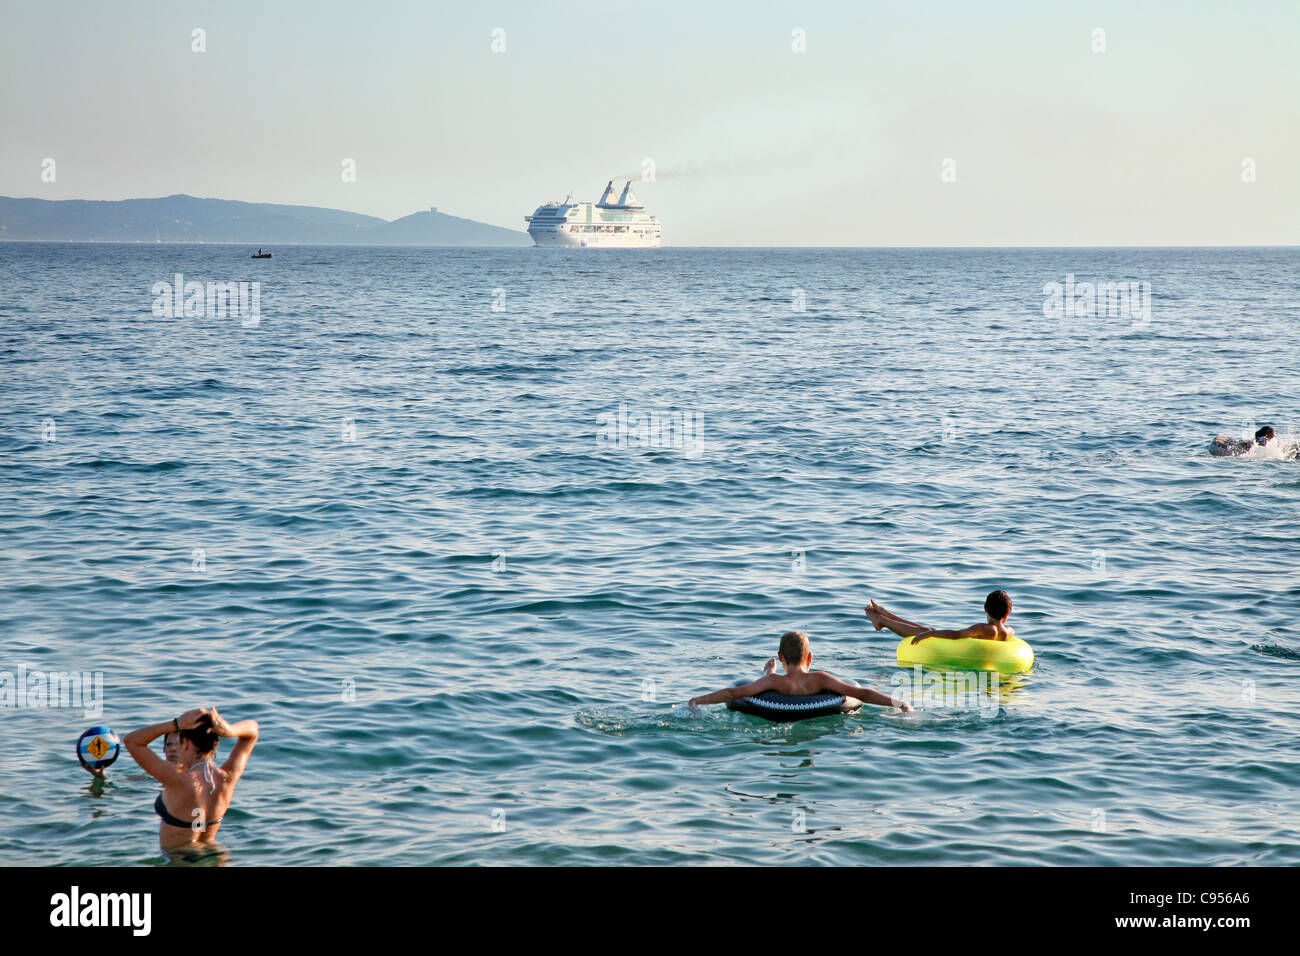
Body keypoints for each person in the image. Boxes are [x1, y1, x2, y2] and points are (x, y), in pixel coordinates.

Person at [123, 707, 258, 850]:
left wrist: (176, 724)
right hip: (214, 855)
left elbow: (132, 741)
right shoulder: (227, 777)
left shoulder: (177, 778)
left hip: (179, 860)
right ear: (215, 744)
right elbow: (253, 730)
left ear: (185, 743)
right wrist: (229, 730)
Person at [688, 630, 912, 712]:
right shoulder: (820, 679)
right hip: (818, 723)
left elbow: (733, 693)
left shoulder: (773, 683)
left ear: (781, 657)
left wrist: (698, 699)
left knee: (762, 681)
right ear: (810, 657)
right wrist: (899, 703)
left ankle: (765, 671)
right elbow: (861, 694)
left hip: (774, 717)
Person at [865, 590, 1014, 646]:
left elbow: (955, 635)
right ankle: (886, 615)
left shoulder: (987, 628)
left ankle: (883, 620)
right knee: (927, 630)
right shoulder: (1009, 631)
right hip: (974, 652)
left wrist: (928, 634)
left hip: (957, 650)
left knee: (927, 631)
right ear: (1008, 613)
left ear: (985, 609)